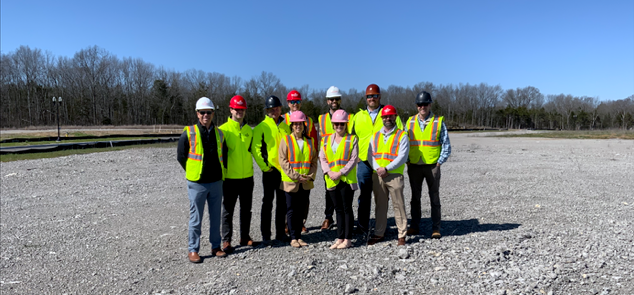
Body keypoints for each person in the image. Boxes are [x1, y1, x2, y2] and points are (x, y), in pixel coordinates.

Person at [177, 97, 229, 263]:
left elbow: (225, 155)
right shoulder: (189, 132)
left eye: (208, 112)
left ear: (213, 113)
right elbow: (181, 156)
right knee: (196, 218)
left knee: (215, 217)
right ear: (197, 114)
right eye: (202, 112)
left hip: (216, 182)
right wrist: (192, 171)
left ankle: (216, 246)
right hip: (197, 183)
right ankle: (193, 249)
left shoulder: (220, 133)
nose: (205, 115)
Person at [350, 84, 403, 237]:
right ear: (365, 98)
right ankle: (362, 227)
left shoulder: (389, 113)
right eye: (368, 96)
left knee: (382, 197)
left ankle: (381, 227)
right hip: (364, 162)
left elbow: (400, 133)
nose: (371, 98)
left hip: (384, 162)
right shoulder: (357, 116)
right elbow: (351, 138)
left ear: (379, 96)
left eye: (374, 96)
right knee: (364, 196)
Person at [405, 91, 452, 239]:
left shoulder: (438, 121)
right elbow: (404, 143)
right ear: (416, 106)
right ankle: (414, 226)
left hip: (432, 166)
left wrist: (439, 162)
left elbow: (446, 144)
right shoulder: (410, 121)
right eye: (419, 104)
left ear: (430, 104)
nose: (422, 107)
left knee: (434, 198)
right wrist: (406, 159)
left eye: (425, 104)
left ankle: (436, 228)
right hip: (414, 165)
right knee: (415, 198)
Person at [366, 105, 410, 246]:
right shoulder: (375, 136)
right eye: (385, 116)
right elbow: (370, 155)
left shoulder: (402, 135)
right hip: (378, 175)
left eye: (390, 116)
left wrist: (387, 168)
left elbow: (402, 156)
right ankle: (379, 233)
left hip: (394, 175)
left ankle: (401, 234)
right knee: (380, 205)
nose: (388, 118)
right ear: (381, 118)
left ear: (395, 117)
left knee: (399, 205)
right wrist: (378, 168)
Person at [252, 95, 291, 243]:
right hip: (269, 171)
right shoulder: (262, 127)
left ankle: (280, 233)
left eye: (276, 108)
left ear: (280, 108)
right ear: (267, 111)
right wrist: (265, 167)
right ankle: (266, 235)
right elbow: (256, 149)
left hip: (284, 171)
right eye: (270, 109)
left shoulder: (286, 127)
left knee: (282, 203)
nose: (274, 111)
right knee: (267, 202)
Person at [219, 95, 255, 253]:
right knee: (228, 210)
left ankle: (245, 236)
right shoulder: (223, 130)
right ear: (231, 109)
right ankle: (226, 240)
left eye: (242, 110)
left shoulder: (249, 131)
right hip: (230, 178)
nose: (239, 112)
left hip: (247, 176)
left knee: (246, 209)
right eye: (237, 109)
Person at [278, 111, 319, 248]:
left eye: (300, 123)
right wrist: (296, 176)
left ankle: (299, 237)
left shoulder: (310, 141)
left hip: (305, 182)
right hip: (291, 182)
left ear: (304, 125)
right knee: (291, 210)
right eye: (295, 124)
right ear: (291, 125)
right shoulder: (286, 140)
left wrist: (309, 175)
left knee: (301, 209)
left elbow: (313, 161)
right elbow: (282, 160)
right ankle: (293, 237)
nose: (298, 126)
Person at [319, 109, 358, 249]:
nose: (339, 126)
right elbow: (322, 158)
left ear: (346, 124)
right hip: (332, 179)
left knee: (347, 208)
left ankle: (348, 239)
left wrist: (340, 172)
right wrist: (328, 172)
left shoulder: (352, 139)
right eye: (336, 124)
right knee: (338, 209)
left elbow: (353, 159)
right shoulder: (326, 140)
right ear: (333, 124)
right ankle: (340, 237)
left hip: (346, 179)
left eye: (342, 124)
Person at [317, 86, 354, 231]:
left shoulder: (349, 117)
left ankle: (344, 221)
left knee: (344, 193)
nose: (334, 101)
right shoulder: (322, 118)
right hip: (328, 160)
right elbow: (320, 139)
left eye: (336, 99)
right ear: (327, 101)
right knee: (329, 189)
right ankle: (328, 217)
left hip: (343, 162)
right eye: (331, 99)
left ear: (340, 100)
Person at [283, 90, 319, 233]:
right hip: (289, 164)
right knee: (288, 199)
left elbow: (313, 142)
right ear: (288, 103)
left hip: (304, 164)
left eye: (297, 101)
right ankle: (287, 224)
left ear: (301, 102)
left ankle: (302, 222)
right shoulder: (283, 118)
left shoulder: (308, 120)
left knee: (304, 198)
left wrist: (312, 165)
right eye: (292, 102)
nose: (295, 104)